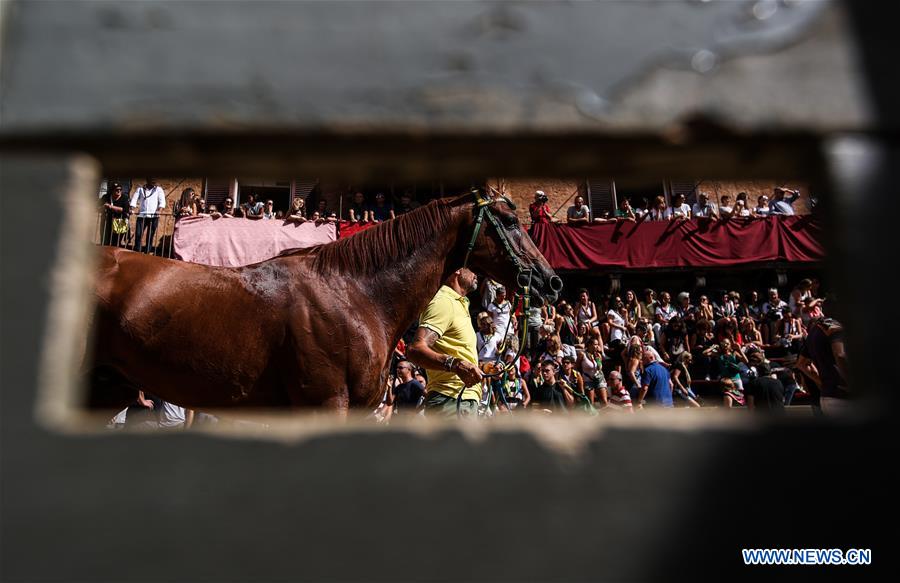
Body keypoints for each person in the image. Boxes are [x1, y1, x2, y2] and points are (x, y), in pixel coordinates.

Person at [407, 267, 484, 418]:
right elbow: (415, 349)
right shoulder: (443, 301)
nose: (476, 273)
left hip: (460, 400)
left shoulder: (459, 303)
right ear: (458, 270)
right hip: (451, 400)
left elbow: (457, 352)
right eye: (472, 267)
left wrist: (483, 367)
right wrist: (454, 364)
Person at [795, 301, 849, 415]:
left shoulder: (815, 330)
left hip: (826, 396)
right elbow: (840, 355)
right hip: (843, 396)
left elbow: (801, 363)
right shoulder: (835, 327)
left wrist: (821, 381)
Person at [129, 178, 167, 254]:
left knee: (150, 236)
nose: (154, 182)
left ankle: (147, 252)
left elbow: (162, 202)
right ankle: (137, 251)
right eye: (152, 180)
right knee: (138, 234)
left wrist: (159, 211)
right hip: (142, 216)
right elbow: (134, 200)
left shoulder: (158, 190)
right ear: (147, 180)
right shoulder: (140, 189)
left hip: (153, 217)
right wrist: (131, 208)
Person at [577, 336, 606, 405]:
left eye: (598, 344)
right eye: (595, 344)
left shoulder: (598, 355)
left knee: (604, 401)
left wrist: (598, 359)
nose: (597, 346)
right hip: (588, 380)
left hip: (598, 379)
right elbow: (576, 367)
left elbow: (599, 368)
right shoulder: (582, 354)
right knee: (591, 403)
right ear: (589, 345)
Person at [99, 181, 130, 247]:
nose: (119, 191)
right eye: (116, 190)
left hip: (119, 223)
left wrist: (110, 207)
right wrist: (103, 207)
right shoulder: (106, 197)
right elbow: (97, 207)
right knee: (104, 240)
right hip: (106, 222)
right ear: (112, 190)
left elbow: (125, 210)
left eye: (120, 189)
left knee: (115, 242)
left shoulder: (124, 197)